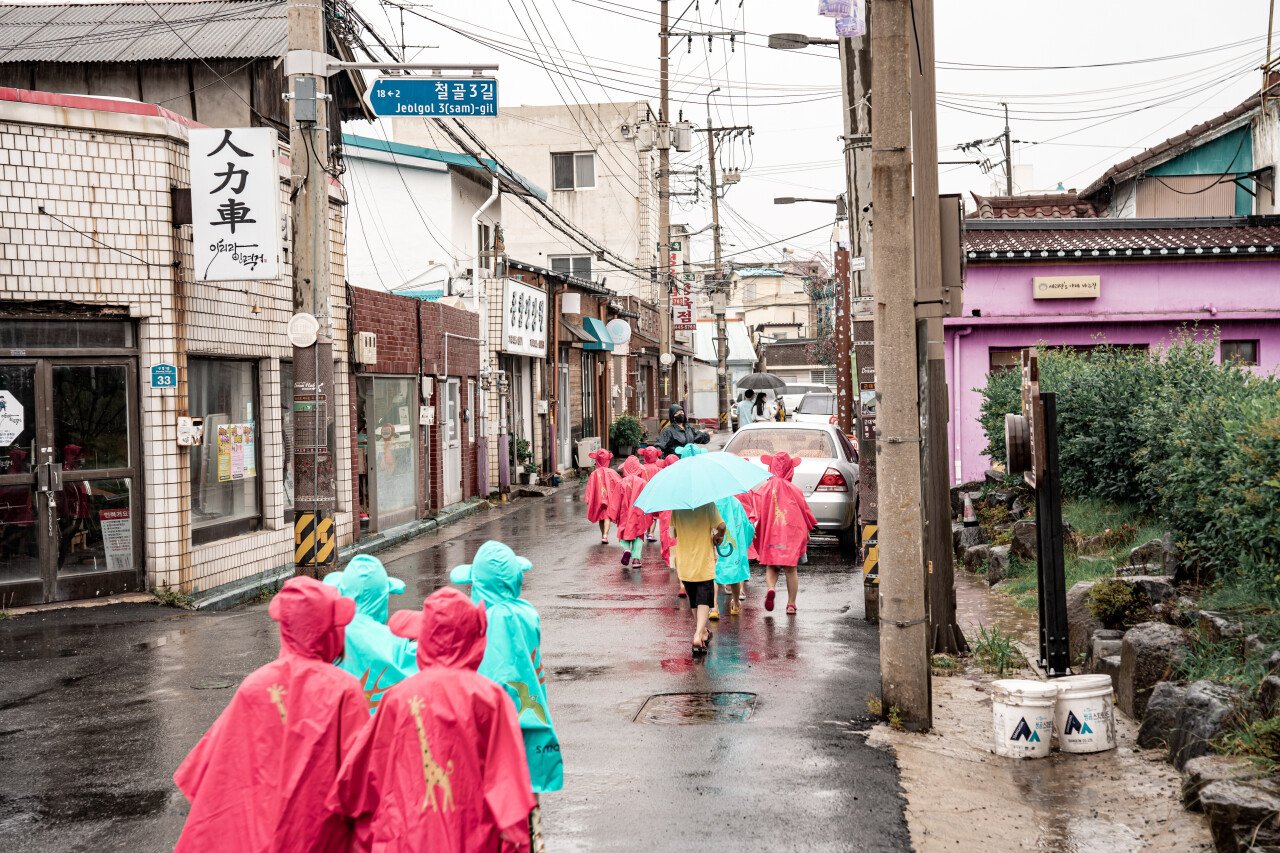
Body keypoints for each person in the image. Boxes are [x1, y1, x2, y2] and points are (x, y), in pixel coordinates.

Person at [330, 588, 536, 852]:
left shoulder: (396, 698)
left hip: (404, 841)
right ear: (474, 637)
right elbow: (509, 795)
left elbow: (354, 785)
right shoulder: (491, 700)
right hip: (473, 841)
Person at [174, 576, 368, 853]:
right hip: (317, 834)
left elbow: (210, 772)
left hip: (255, 834)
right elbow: (361, 778)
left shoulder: (255, 685)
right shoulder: (342, 689)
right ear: (327, 628)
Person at [450, 541, 563, 796]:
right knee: (525, 800)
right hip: (528, 724)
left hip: (486, 734)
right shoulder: (527, 615)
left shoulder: (476, 623)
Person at [324, 554, 419, 714]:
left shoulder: (327, 639)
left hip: (339, 731)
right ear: (383, 599)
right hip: (385, 733)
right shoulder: (398, 644)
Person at [752, 451, 817, 615]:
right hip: (791, 536)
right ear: (790, 469)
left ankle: (771, 588)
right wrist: (807, 531)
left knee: (772, 566)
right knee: (791, 570)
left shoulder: (764, 489)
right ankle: (791, 604)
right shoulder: (795, 490)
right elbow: (805, 513)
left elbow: (756, 513)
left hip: (771, 535)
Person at [670, 500, 727, 654]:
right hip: (703, 560)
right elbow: (721, 526)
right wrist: (719, 536)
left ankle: (702, 633)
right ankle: (698, 635)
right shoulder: (708, 504)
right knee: (704, 598)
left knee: (694, 599)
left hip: (685, 560)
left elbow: (673, 533)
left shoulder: (677, 506)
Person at [715, 492, 755, 617]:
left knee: (713, 575)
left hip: (714, 544)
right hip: (733, 546)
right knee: (735, 576)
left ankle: (714, 607)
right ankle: (736, 603)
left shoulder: (711, 503)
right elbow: (746, 526)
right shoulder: (736, 503)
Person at [615, 455, 654, 567]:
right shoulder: (643, 482)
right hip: (639, 513)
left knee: (623, 532)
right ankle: (636, 559)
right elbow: (648, 499)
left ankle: (626, 549)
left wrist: (614, 515)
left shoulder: (621, 482)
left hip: (625, 513)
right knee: (639, 534)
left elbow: (616, 501)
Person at [584, 448, 621, 543]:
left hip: (598, 499)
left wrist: (588, 498)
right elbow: (619, 483)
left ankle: (603, 535)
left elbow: (590, 487)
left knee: (601, 517)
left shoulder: (594, 474)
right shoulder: (612, 472)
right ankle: (605, 535)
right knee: (607, 516)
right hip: (609, 499)